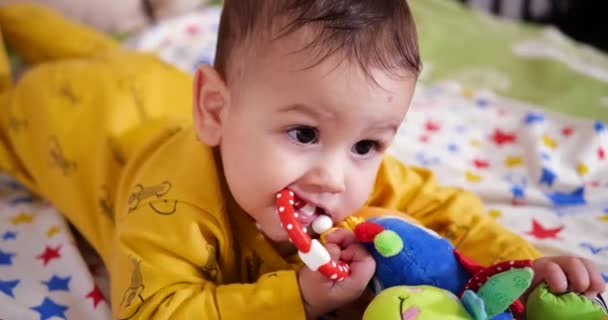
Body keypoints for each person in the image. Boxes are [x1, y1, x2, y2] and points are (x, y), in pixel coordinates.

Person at [0, 1, 603, 319]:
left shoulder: (349, 171)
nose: (336, 177)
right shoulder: (168, 207)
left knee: (102, 53)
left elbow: (450, 211)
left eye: (367, 145)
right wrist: (299, 299)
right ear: (216, 110)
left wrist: (523, 262)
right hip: (68, 117)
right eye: (304, 133)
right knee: (29, 83)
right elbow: (155, 309)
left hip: (148, 85)